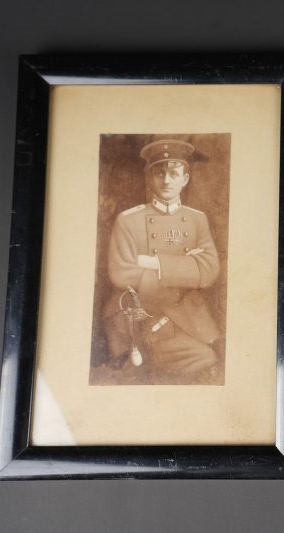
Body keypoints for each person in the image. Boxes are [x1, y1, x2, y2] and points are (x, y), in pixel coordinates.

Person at [103, 139, 222, 384]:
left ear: (185, 179)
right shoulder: (128, 220)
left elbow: (210, 270)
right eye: (159, 173)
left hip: (186, 318)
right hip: (138, 316)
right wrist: (187, 268)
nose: (167, 180)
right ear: (149, 177)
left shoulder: (197, 220)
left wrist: (154, 263)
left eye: (174, 174)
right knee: (138, 373)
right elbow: (121, 273)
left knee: (208, 360)